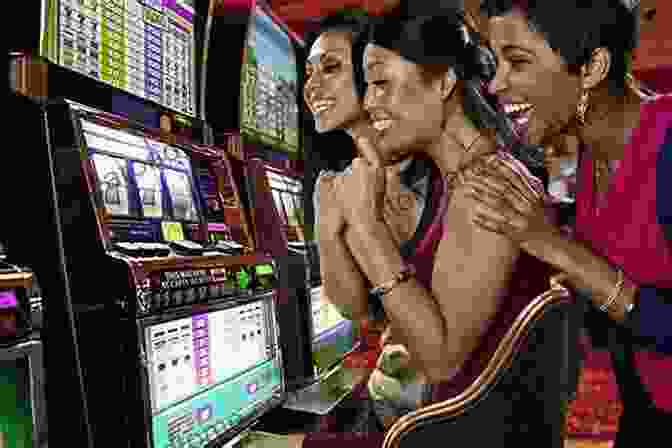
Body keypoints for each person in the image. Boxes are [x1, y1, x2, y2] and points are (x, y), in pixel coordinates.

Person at [280, 3, 560, 447]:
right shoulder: (463, 178)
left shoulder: (482, 186)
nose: (370, 102)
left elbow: (440, 362)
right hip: (448, 422)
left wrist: (367, 228)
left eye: (381, 84)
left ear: (444, 82)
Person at [466, 0, 672, 445]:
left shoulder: (668, 144)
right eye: (496, 61)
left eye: (517, 61)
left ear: (592, 67)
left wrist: (557, 247)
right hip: (643, 406)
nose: (497, 83)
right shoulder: (590, 158)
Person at [304, 9, 434, 433]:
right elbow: (357, 309)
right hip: (403, 389)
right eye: (309, 72)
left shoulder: (426, 165)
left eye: (331, 67)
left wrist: (360, 221)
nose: (312, 87)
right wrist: (327, 228)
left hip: (440, 400)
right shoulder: (344, 180)